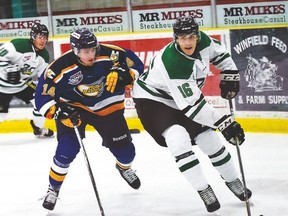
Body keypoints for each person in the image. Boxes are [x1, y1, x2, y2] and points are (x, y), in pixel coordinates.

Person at [132, 15, 252, 214]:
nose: (187, 42)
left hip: (181, 98)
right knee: (177, 137)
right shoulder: (172, 62)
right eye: (182, 37)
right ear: (175, 38)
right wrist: (224, 123)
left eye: (191, 37)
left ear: (197, 35)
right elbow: (193, 107)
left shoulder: (203, 41)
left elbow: (221, 56)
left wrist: (230, 75)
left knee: (209, 139)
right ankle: (203, 189)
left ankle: (233, 180)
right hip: (153, 101)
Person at [35, 27, 144, 211]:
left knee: (127, 153)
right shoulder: (59, 68)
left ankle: (124, 168)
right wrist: (59, 112)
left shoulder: (113, 54)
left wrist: (124, 74)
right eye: (86, 51)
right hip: (74, 110)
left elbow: (138, 66)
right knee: (66, 151)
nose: (91, 54)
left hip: (107, 108)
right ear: (76, 51)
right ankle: (53, 189)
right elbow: (42, 96)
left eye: (93, 49)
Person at [0, 23, 54, 138]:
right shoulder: (19, 45)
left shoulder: (43, 55)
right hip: (2, 86)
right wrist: (8, 70)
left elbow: (44, 77)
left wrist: (48, 87)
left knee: (42, 102)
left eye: (45, 37)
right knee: (1, 115)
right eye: (40, 37)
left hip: (23, 84)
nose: (43, 40)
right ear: (33, 37)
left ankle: (38, 128)